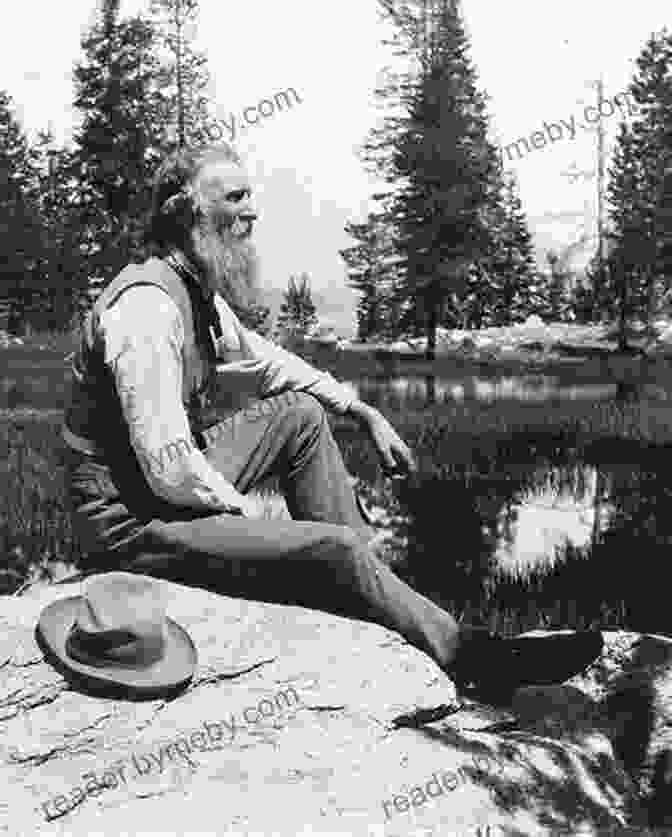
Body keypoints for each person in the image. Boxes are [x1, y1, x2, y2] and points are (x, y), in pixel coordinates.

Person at [61, 143, 603, 703]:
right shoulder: (147, 310)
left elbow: (266, 362)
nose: (252, 212)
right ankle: (472, 656)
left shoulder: (193, 292)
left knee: (300, 414)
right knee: (331, 550)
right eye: (235, 197)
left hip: (153, 490)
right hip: (128, 525)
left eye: (252, 196)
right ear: (186, 214)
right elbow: (170, 468)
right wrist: (260, 526)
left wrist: (360, 410)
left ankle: (370, 588)